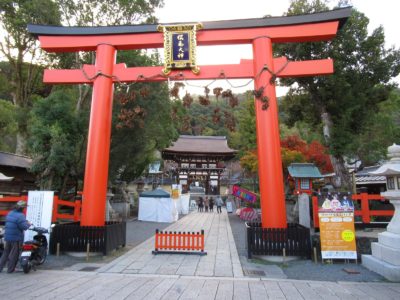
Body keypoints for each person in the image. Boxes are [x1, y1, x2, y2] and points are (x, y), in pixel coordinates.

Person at [0, 200, 31, 273]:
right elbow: (24, 227)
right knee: (14, 254)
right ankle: (10, 269)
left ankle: (0, 267)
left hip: (8, 236)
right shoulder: (21, 215)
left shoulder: (10, 213)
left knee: (6, 252)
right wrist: (28, 224)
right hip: (16, 237)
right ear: (22, 208)